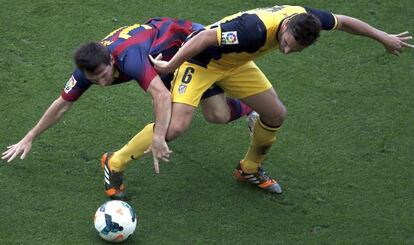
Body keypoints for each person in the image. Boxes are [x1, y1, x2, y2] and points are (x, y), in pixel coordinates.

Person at [102, 4, 413, 199]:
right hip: (200, 62)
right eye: (287, 44)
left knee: (274, 113)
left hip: (235, 64)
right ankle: (114, 163)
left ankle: (249, 168)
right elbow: (205, 39)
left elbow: (343, 21)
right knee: (177, 126)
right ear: (286, 28)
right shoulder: (254, 29)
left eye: (296, 50)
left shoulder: (308, 20)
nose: (288, 51)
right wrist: (170, 67)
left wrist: (382, 36)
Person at [2, 18, 255, 198]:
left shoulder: (131, 59)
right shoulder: (86, 70)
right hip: (161, 58)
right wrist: (30, 137)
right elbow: (61, 105)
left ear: (112, 60)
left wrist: (158, 137)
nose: (101, 83)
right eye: (94, 80)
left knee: (204, 116)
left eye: (103, 75)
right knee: (205, 116)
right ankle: (115, 163)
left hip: (189, 47)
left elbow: (162, 96)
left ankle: (251, 108)